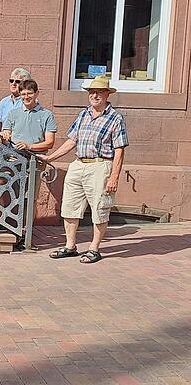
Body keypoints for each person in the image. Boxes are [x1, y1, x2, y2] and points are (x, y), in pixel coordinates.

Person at [41, 76, 127, 264]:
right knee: (70, 207)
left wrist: (114, 176)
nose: (94, 95)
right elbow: (72, 141)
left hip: (100, 164)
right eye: (91, 92)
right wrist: (50, 157)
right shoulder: (83, 114)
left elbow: (119, 150)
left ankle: (94, 248)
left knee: (99, 208)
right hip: (78, 163)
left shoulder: (115, 118)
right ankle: (70, 246)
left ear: (106, 94)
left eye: (98, 92)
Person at [1, 79, 57, 250]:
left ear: (36, 94)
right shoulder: (13, 114)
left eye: (29, 93)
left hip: (35, 161)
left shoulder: (46, 115)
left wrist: (29, 146)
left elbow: (49, 143)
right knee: (13, 196)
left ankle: (27, 233)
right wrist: (5, 136)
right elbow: (5, 137)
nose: (26, 96)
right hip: (14, 160)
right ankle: (13, 231)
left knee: (31, 197)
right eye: (23, 94)